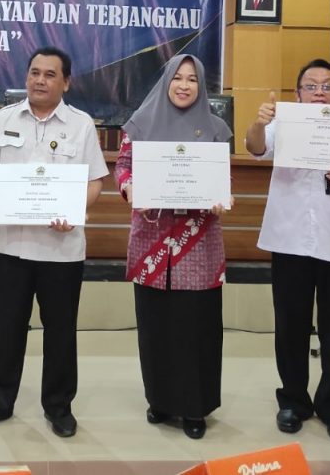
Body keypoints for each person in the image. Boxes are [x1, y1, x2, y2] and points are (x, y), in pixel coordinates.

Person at [0, 47, 108, 438]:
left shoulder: (81, 125)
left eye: (49, 74)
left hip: (62, 249)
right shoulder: (4, 118)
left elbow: (95, 181)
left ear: (66, 82)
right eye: (34, 73)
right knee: (9, 327)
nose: (40, 80)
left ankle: (58, 407)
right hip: (11, 245)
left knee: (60, 330)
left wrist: (75, 209)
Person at [246, 58, 330, 443]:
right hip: (289, 239)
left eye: (327, 86)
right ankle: (293, 401)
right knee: (290, 325)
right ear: (298, 93)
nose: (319, 92)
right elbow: (256, 147)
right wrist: (259, 122)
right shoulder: (282, 123)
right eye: (311, 86)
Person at [114, 54, 231, 439]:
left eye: (192, 80)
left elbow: (221, 178)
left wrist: (220, 197)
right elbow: (123, 167)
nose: (184, 85)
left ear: (201, 87)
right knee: (156, 326)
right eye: (177, 78)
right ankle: (161, 400)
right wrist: (130, 188)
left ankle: (195, 407)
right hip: (152, 239)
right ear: (166, 81)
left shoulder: (216, 129)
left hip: (199, 242)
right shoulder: (139, 125)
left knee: (197, 327)